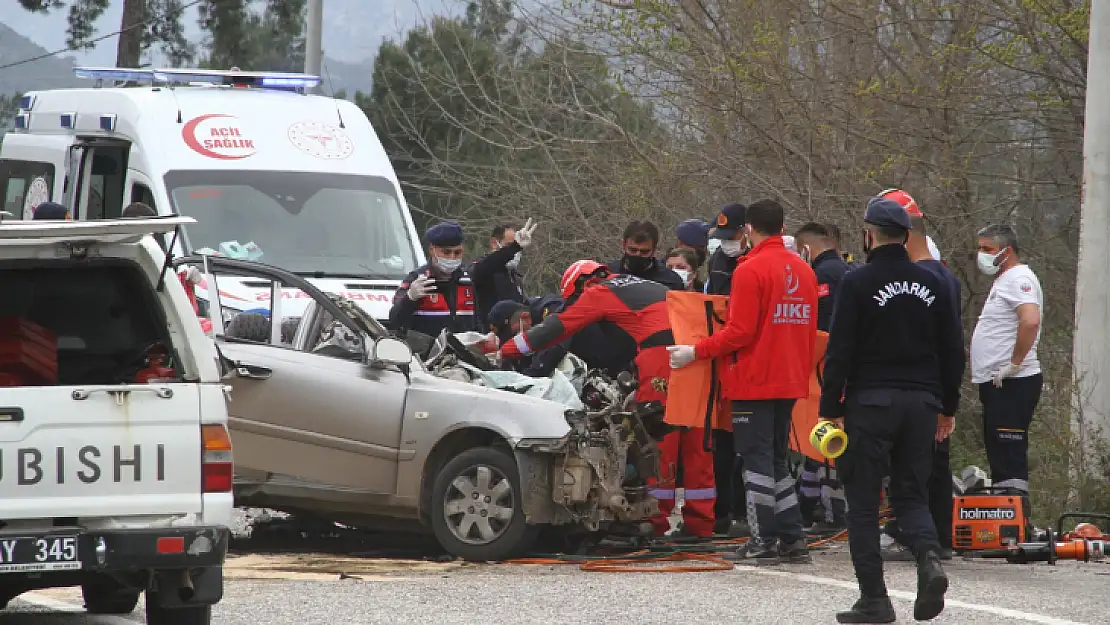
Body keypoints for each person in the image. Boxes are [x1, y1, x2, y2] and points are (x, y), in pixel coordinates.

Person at [818, 197, 964, 623]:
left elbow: (840, 348)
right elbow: (952, 351)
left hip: (871, 403)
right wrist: (947, 408)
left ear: (869, 234)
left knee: (863, 502)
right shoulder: (934, 282)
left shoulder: (858, 282)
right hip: (922, 403)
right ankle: (928, 558)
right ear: (906, 236)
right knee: (911, 494)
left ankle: (875, 600)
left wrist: (831, 408)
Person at [501, 260, 716, 538]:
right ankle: (701, 524)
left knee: (658, 438)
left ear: (582, 284)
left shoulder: (598, 292)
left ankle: (656, 520)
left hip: (664, 357)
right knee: (697, 439)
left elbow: (558, 327)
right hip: (698, 354)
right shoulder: (642, 285)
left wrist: (506, 350)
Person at [669, 199, 818, 562]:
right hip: (790, 377)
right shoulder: (803, 271)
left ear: (749, 228)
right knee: (777, 461)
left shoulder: (750, 271)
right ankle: (793, 538)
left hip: (754, 377)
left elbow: (739, 332)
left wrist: (696, 351)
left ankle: (762, 539)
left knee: (756, 463)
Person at [970, 224, 1043, 502]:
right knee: (999, 454)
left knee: (1009, 455)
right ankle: (1004, 511)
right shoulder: (1004, 280)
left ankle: (1014, 517)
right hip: (998, 382)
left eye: (987, 249)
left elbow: (1030, 320)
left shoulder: (1018, 278)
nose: (982, 255)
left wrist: (1014, 363)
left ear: (1007, 250)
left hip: (1013, 381)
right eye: (980, 249)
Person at [793, 221, 852, 531]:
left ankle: (831, 512)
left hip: (826, 367)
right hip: (844, 366)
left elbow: (823, 327)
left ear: (807, 247)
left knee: (824, 436)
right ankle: (812, 505)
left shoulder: (824, 275)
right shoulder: (847, 272)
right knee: (819, 440)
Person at [702, 202, 750, 536]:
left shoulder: (757, 263)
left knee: (753, 448)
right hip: (723, 361)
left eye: (732, 233)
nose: (727, 240)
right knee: (722, 442)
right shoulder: (718, 262)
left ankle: (749, 514)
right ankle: (722, 513)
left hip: (753, 363)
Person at [389, 221, 480, 338]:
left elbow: (476, 322)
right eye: (446, 252)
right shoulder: (417, 280)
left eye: (457, 252)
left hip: (461, 353)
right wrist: (410, 298)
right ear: (432, 250)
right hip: (426, 354)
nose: (452, 257)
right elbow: (394, 321)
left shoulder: (466, 281)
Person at [471, 220, 538, 329]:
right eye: (509, 245)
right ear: (494, 243)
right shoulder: (483, 270)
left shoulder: (514, 276)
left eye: (520, 247)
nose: (515, 253)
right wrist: (515, 247)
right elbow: (491, 263)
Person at [608, 220, 686, 290]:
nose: (637, 255)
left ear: (654, 249)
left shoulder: (671, 281)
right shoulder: (607, 274)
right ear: (623, 245)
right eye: (632, 250)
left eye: (644, 252)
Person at [704, 203, 747, 296]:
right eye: (723, 238)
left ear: (746, 231)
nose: (726, 241)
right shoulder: (715, 260)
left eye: (730, 237)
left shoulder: (757, 258)